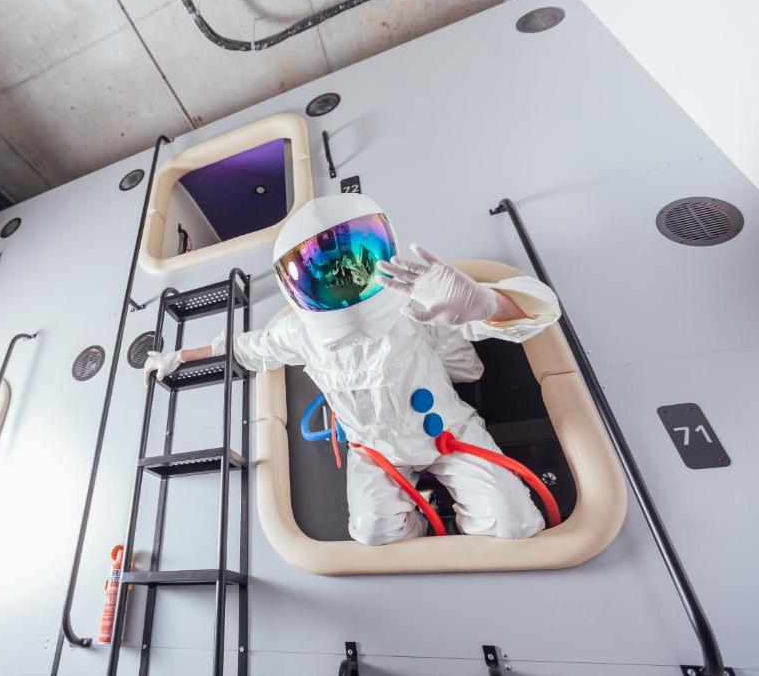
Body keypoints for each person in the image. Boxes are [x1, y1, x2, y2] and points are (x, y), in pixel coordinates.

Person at [143, 194, 560, 545]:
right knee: (373, 531)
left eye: (353, 265)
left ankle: (453, 514)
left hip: (446, 432)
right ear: (301, 285)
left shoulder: (414, 302)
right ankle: (424, 518)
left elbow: (539, 312)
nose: (344, 279)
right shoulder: (297, 332)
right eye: (328, 272)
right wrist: (178, 357)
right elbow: (244, 349)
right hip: (373, 450)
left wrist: (490, 305)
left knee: (511, 522)